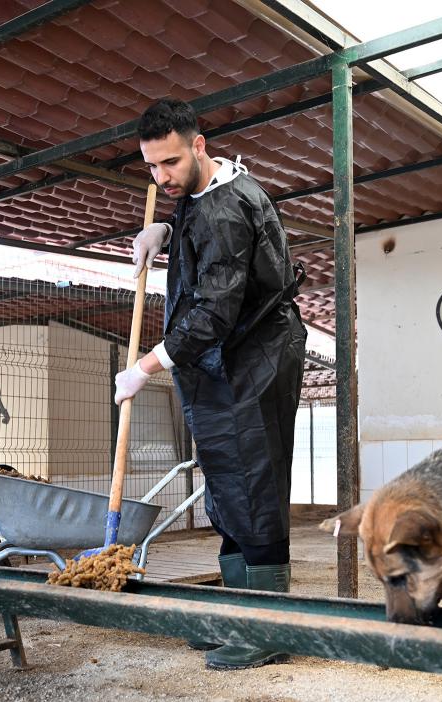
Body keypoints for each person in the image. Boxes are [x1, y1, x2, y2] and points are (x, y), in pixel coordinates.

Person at [114, 98, 308, 670]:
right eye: (151, 167)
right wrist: (165, 230)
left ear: (199, 145)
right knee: (229, 482)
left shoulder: (227, 208)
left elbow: (214, 313)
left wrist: (145, 368)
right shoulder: (205, 196)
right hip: (229, 363)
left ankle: (270, 627)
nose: (161, 176)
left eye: (170, 162)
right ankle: (239, 613)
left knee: (255, 482)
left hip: (253, 357)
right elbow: (206, 231)